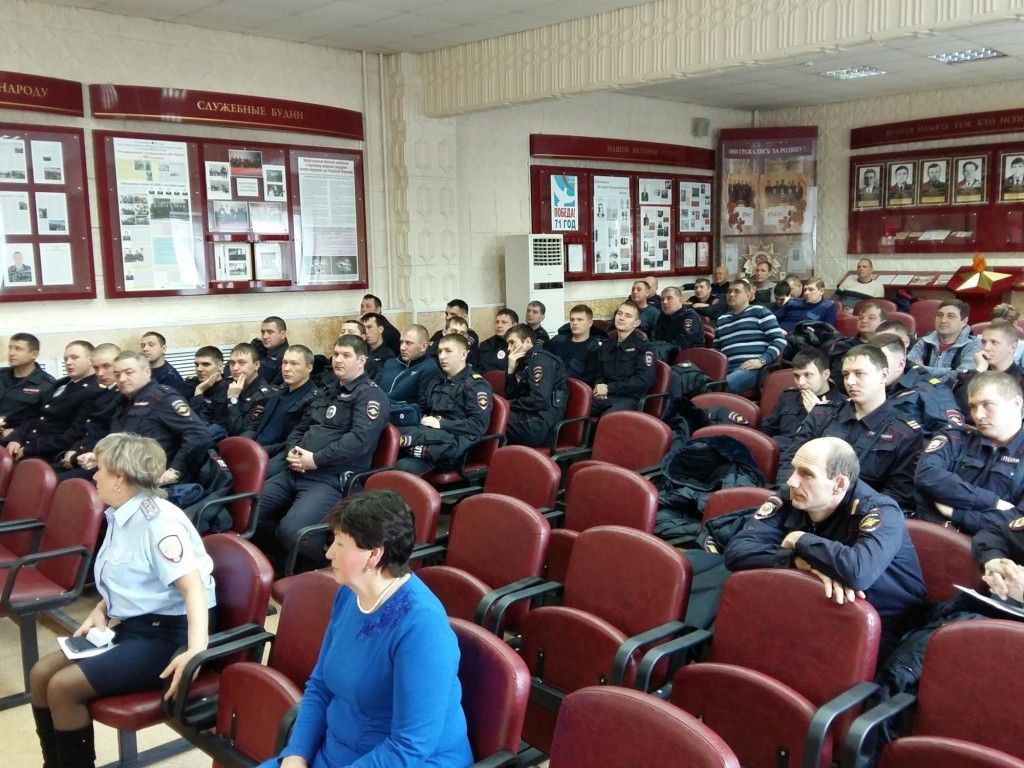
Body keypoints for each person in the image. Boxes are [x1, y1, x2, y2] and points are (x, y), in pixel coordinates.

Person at [29, 432, 216, 768]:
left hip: (169, 635)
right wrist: (102, 608)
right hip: (138, 625)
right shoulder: (121, 513)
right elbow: (132, 579)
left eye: (100, 469)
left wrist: (195, 651)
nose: (94, 475)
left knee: (63, 688)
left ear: (120, 477)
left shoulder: (159, 522)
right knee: (41, 674)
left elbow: (194, 588)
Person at [257, 490, 472, 768]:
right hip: (338, 752)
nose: (329, 552)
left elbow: (410, 746)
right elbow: (320, 686)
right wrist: (296, 754)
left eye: (340, 543)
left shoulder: (423, 628)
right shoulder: (349, 593)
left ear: (373, 554)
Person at [724, 437, 925, 657]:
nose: (792, 481)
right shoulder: (792, 496)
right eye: (794, 469)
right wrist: (795, 560)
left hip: (886, 630)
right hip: (816, 611)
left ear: (839, 484)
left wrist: (799, 539)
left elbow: (857, 573)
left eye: (806, 474)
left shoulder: (881, 511)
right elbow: (736, 551)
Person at [256, 335, 389, 570]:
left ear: (361, 361)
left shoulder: (370, 396)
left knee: (292, 532)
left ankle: (321, 568)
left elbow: (359, 441)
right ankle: (282, 561)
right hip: (296, 469)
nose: (338, 360)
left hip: (330, 477)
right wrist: (293, 451)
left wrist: (315, 459)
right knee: (249, 512)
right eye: (336, 354)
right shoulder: (328, 391)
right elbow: (301, 427)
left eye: (346, 355)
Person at [779, 345, 924, 509]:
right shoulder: (821, 414)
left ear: (883, 375)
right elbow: (790, 461)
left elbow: (898, 493)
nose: (850, 381)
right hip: (804, 503)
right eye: (846, 374)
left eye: (859, 374)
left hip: (858, 514)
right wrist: (790, 494)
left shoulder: (905, 432)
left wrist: (847, 511)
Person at [70, 351, 212, 486]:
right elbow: (124, 443)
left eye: (129, 372)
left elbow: (198, 434)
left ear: (147, 372)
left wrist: (175, 470)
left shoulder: (162, 399)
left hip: (148, 481)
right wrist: (100, 458)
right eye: (117, 374)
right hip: (122, 474)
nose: (122, 379)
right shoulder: (123, 401)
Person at [915, 371, 1024, 534]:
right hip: (931, 532)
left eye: (987, 404)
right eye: (973, 406)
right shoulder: (955, 437)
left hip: (990, 544)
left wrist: (957, 514)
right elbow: (926, 475)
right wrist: (993, 503)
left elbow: (1018, 521)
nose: (978, 415)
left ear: (1016, 403)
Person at [396, 333, 492, 475]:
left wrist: (441, 424)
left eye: (448, 351)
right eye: (440, 351)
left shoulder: (476, 385)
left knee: (402, 466)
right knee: (391, 442)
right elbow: (422, 409)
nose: (442, 356)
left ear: (463, 354)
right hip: (428, 435)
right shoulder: (436, 382)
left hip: (452, 448)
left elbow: (478, 425)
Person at [4, 341, 99, 462]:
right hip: (24, 445)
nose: (68, 362)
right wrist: (16, 438)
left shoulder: (93, 390)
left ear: (91, 360)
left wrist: (29, 449)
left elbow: (72, 435)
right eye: (66, 359)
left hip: (48, 454)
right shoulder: (61, 383)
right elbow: (34, 414)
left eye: (74, 357)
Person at [243, 344, 319, 476]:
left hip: (278, 456)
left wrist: (258, 450)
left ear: (309, 368)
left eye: (294, 364)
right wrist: (245, 442)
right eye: (285, 363)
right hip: (255, 448)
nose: (287, 368)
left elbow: (293, 441)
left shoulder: (313, 400)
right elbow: (256, 424)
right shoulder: (277, 392)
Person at [869, 333, 962, 437]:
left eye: (881, 362)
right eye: (869, 363)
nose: (872, 368)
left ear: (900, 364)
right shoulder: (862, 388)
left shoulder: (931, 389)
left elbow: (953, 436)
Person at [53, 344, 121, 474]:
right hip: (83, 454)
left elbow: (109, 436)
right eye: (96, 368)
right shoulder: (101, 393)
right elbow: (87, 429)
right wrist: (75, 449)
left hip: (99, 460)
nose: (100, 373)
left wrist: (76, 454)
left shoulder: (122, 396)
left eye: (106, 366)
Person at [760, 348, 844, 454]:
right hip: (777, 453)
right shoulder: (789, 396)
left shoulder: (842, 404)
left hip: (809, 458)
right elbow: (768, 429)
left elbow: (835, 447)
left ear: (825, 375)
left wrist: (817, 415)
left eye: (807, 375)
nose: (801, 382)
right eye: (796, 376)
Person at [712, 280, 787, 394]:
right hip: (727, 370)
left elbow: (780, 340)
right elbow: (716, 350)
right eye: (729, 291)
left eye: (737, 291)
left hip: (755, 369)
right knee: (699, 384)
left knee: (724, 385)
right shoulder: (721, 320)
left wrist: (762, 361)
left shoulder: (760, 312)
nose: (731, 294)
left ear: (747, 295)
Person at [503, 324, 567, 448]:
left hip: (538, 424)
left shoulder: (540, 361)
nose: (509, 349)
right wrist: (511, 371)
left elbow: (539, 399)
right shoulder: (525, 361)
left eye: (512, 343)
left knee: (492, 417)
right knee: (488, 415)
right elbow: (512, 395)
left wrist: (507, 405)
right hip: (528, 416)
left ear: (527, 342)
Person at [950, 319, 1024, 421]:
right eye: (984, 342)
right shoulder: (972, 374)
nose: (986, 347)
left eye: (994, 342)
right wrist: (980, 371)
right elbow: (961, 408)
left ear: (1012, 347)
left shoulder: (1021, 379)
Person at [591, 301, 656, 416]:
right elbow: (599, 373)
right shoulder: (606, 344)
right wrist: (600, 386)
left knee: (609, 418)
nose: (621, 318)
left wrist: (609, 388)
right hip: (605, 395)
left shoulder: (644, 347)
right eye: (619, 313)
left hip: (629, 397)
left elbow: (642, 381)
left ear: (636, 323)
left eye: (628, 316)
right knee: (574, 409)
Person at [907, 298, 982, 381]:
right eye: (940, 315)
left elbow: (962, 377)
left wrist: (922, 369)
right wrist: (950, 371)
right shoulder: (924, 341)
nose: (943, 320)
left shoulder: (973, 345)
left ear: (964, 321)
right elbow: (908, 368)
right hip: (921, 389)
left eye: (951, 316)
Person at [1, 332, 56, 438]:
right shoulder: (1, 375)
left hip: (19, 439)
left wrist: (17, 432)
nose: (11, 353)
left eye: (18, 349)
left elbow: (47, 422)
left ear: (34, 354)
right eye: (10, 348)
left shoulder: (46, 385)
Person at [378, 325, 443, 406]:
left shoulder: (429, 368)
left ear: (423, 347)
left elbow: (423, 406)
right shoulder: (390, 363)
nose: (402, 348)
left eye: (408, 343)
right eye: (401, 342)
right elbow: (373, 388)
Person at [225, 343, 274, 436]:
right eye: (232, 363)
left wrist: (233, 399)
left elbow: (241, 432)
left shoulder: (263, 397)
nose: (235, 368)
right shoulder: (229, 384)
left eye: (242, 363)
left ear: (256, 365)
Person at [546, 305, 602, 386]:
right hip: (549, 385)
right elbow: (543, 362)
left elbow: (589, 379)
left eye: (579, 319)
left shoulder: (594, 348)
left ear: (590, 323)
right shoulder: (557, 340)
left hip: (575, 389)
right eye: (572, 320)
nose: (574, 323)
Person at [183, 346, 229, 435]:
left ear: (220, 366)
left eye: (206, 364)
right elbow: (182, 415)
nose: (199, 369)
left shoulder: (227, 388)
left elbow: (212, 426)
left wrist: (199, 392)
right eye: (197, 365)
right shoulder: (190, 384)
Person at [650, 286, 703, 360]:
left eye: (669, 298)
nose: (664, 302)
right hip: (667, 354)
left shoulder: (689, 317)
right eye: (662, 299)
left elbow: (682, 344)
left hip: (689, 358)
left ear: (680, 300)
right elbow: (657, 338)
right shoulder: (663, 315)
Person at [139, 331, 188, 397]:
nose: (145, 349)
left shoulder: (170, 377)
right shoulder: (141, 369)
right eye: (143, 346)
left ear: (163, 349)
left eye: (151, 345)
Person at [476, 308, 518, 373]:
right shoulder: (485, 344)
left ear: (514, 325)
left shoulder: (519, 346)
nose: (499, 325)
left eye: (504, 322)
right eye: (497, 322)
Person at [254, 316, 289, 386]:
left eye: (270, 332)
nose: (265, 336)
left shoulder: (286, 358)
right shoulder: (258, 347)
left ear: (283, 334)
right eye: (263, 332)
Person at [361, 312, 396, 378]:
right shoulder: (361, 350)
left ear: (380, 329)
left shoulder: (388, 356)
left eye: (369, 327)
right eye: (363, 328)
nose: (365, 332)